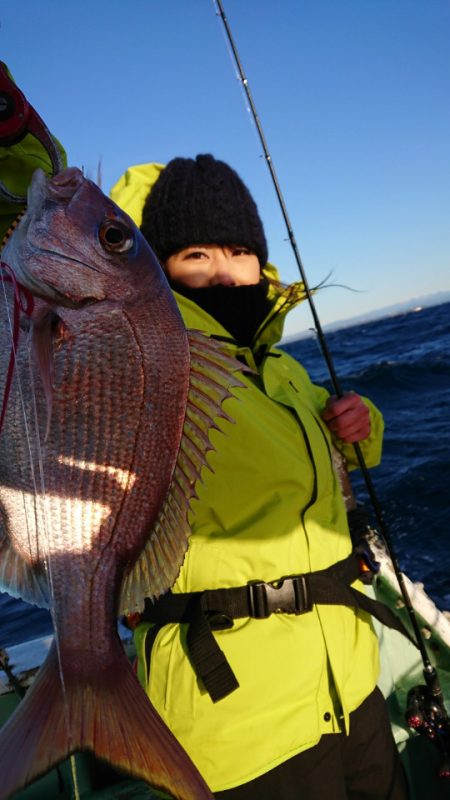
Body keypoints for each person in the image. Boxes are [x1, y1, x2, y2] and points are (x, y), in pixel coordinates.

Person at [110, 154, 409, 799]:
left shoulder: (282, 371)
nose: (223, 271)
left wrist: (363, 424)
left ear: (261, 261)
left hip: (350, 683)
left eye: (239, 251)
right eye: (195, 254)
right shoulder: (149, 365)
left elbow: (334, 456)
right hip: (237, 719)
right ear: (157, 269)